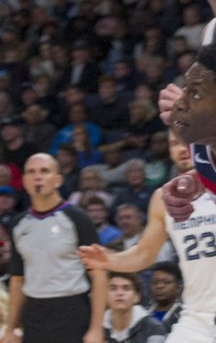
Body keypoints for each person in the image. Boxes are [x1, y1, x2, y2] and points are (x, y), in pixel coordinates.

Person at [79, 136, 216, 343]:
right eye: (174, 143)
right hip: (197, 317)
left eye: (187, 141)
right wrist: (108, 260)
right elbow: (144, 254)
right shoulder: (164, 198)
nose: (182, 148)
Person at [0, 153, 106, 343]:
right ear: (24, 181)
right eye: (31, 172)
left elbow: (99, 275)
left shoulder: (78, 218)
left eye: (44, 171)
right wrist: (10, 328)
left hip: (72, 310)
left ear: (58, 180)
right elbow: (17, 280)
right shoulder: (18, 224)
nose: (37, 177)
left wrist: (96, 329)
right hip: (33, 313)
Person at [99, 272, 164, 343]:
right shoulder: (96, 326)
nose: (119, 293)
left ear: (137, 296)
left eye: (126, 288)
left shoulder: (153, 328)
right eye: (113, 288)